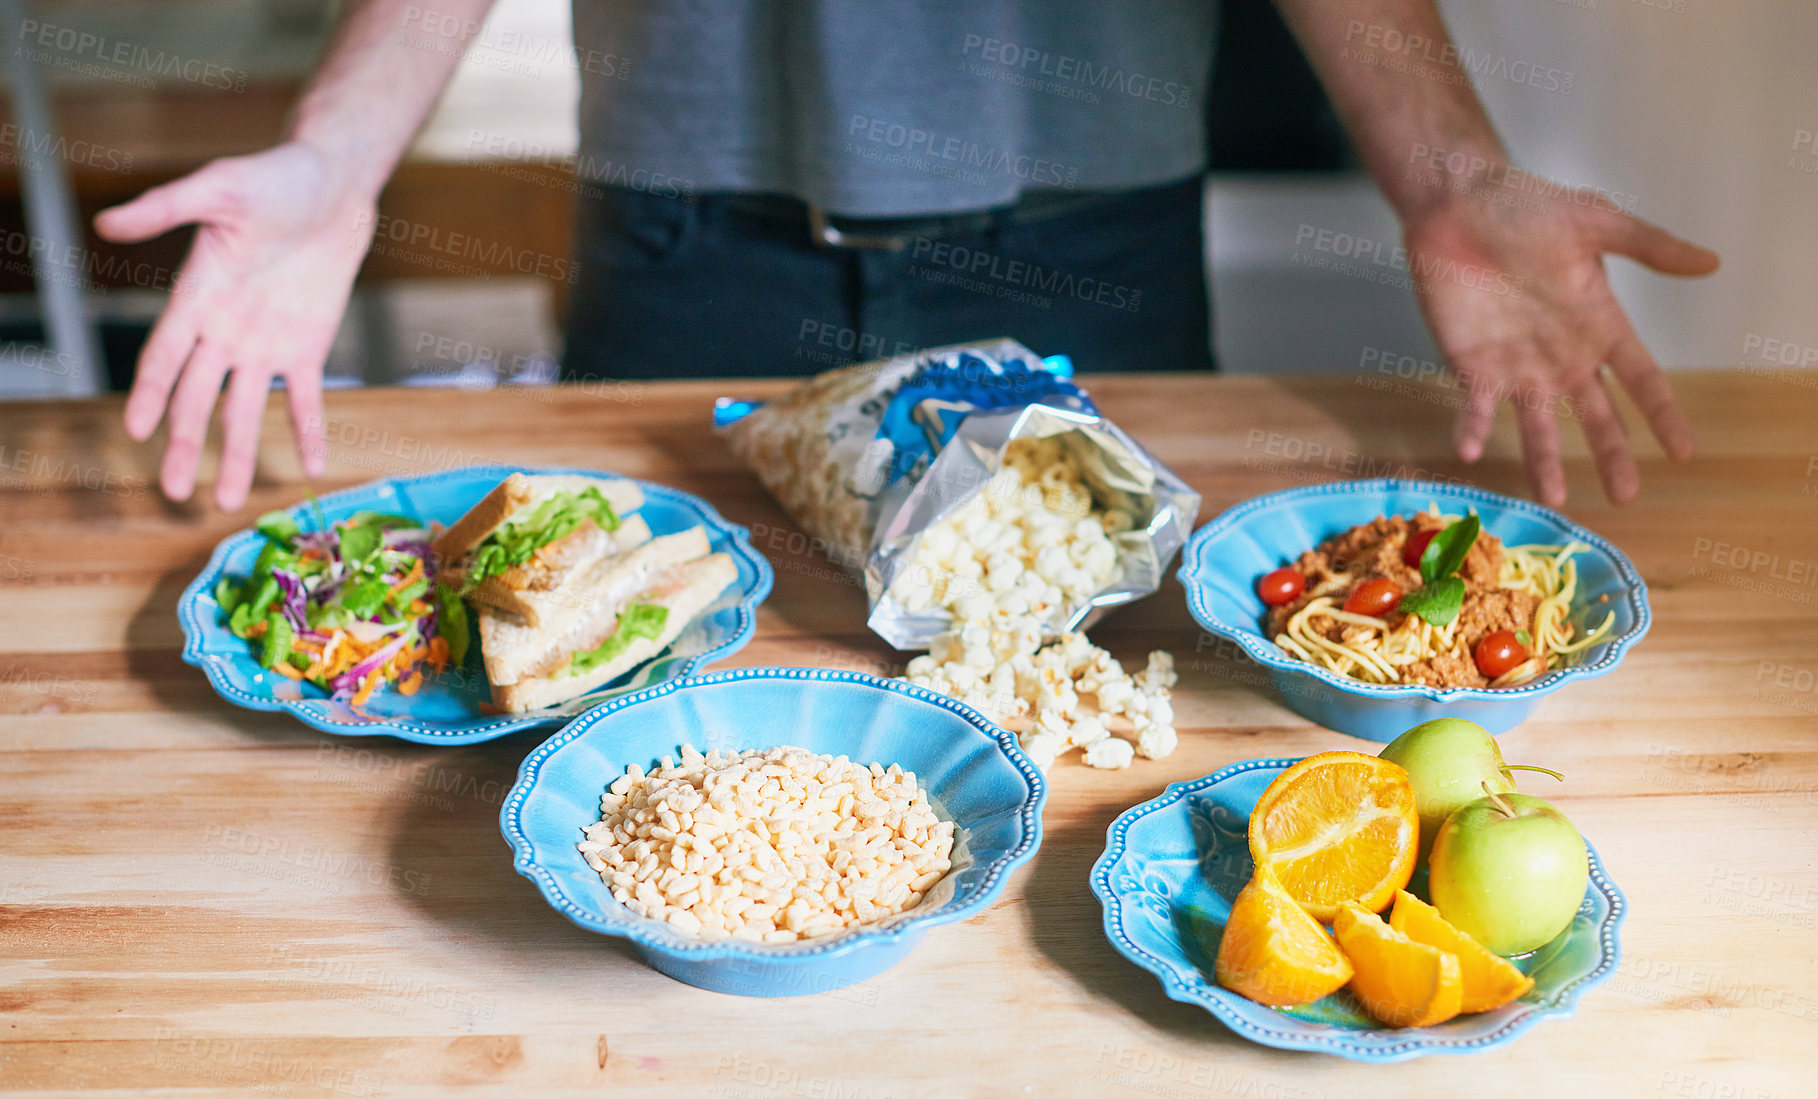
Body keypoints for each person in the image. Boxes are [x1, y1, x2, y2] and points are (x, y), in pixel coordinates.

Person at [97, 0, 1718, 514]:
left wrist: (1454, 178)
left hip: (1088, 246)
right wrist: (341, 149)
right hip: (692, 242)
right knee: (641, 687)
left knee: (1096, 717)